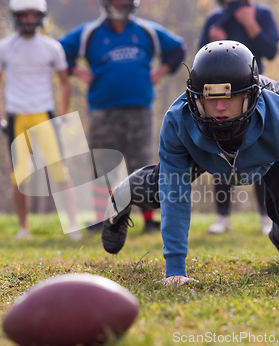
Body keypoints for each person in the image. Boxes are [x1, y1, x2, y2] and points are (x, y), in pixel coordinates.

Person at [102, 41, 279, 284]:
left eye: (229, 97)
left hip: (270, 152)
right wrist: (175, 269)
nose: (220, 108)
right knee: (159, 190)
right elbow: (175, 196)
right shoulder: (178, 120)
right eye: (211, 98)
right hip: (203, 152)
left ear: (249, 95)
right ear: (197, 98)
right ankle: (121, 195)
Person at [58, 0, 186, 234]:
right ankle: (100, 218)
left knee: (142, 166)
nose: (120, 5)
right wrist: (77, 71)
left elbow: (178, 49)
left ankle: (149, 220)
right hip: (102, 110)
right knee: (102, 165)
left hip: (140, 110)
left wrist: (159, 72)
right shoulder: (90, 33)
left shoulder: (147, 31)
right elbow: (59, 51)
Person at [0, 0, 80, 240]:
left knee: (60, 171)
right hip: (17, 116)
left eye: (33, 15)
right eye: (24, 15)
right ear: (16, 17)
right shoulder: (3, 47)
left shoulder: (52, 47)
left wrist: (62, 115)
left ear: (41, 16)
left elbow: (64, 81)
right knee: (20, 176)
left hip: (44, 115)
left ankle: (72, 225)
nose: (29, 20)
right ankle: (23, 228)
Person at [199, 0, 279, 235]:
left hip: (253, 95)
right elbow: (200, 59)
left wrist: (250, 24)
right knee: (222, 151)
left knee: (259, 152)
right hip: (220, 98)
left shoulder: (261, 13)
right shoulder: (215, 19)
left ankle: (267, 217)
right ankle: (222, 217)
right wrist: (212, 43)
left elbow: (271, 51)